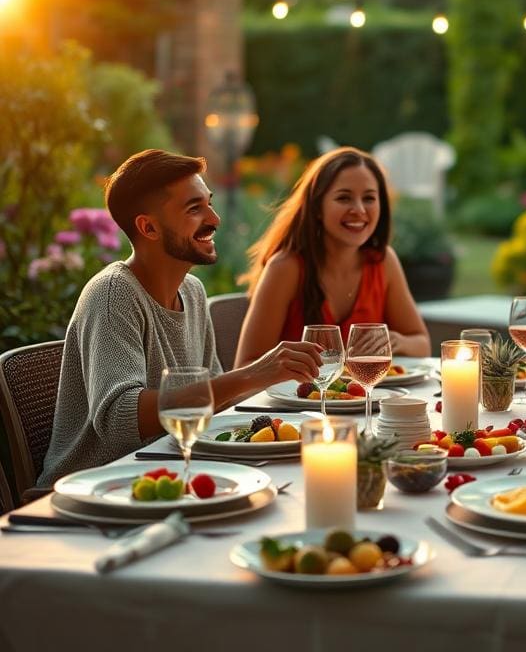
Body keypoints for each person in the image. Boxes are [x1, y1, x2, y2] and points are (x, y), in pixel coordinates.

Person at [39, 150, 323, 486]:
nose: (214, 219)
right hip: (95, 493)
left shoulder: (192, 291)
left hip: (167, 475)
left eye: (209, 203)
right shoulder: (113, 294)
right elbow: (120, 419)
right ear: (148, 227)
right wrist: (253, 374)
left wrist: (303, 407)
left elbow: (214, 401)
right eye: (194, 208)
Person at [235, 147, 429, 367]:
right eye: (344, 198)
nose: (359, 210)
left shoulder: (383, 262)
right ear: (317, 207)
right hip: (295, 400)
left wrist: (396, 341)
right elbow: (245, 366)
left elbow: (421, 342)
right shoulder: (285, 268)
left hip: (363, 399)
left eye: (369, 198)